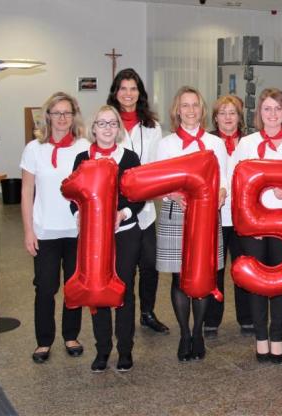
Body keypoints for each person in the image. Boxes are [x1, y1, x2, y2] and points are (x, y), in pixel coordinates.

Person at [155, 86, 228, 362]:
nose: (190, 110)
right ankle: (184, 333)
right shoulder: (166, 144)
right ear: (177, 110)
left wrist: (221, 194)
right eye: (185, 106)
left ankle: (198, 332)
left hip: (207, 217)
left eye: (195, 105)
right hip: (176, 215)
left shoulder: (215, 143)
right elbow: (158, 181)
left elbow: (224, 180)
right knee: (179, 276)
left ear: (202, 109)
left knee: (204, 276)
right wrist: (173, 193)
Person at [236, 88, 282, 365]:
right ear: (260, 114)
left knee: (280, 283)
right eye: (267, 109)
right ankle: (260, 338)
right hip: (254, 223)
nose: (272, 114)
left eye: (277, 109)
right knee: (257, 283)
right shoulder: (247, 143)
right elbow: (235, 178)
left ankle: (277, 338)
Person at [70, 105, 144, 372]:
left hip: (124, 233)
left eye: (112, 124)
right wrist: (78, 212)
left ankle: (125, 349)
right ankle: (102, 350)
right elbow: (74, 194)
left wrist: (122, 213)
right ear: (93, 128)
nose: (107, 129)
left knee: (123, 290)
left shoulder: (130, 157)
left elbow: (138, 195)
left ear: (119, 128)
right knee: (97, 291)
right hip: (93, 238)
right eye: (102, 124)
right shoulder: (82, 158)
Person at [20, 92, 90, 363]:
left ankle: (71, 335)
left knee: (74, 287)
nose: (62, 118)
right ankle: (44, 341)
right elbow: (27, 192)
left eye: (67, 113)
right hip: (45, 231)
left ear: (74, 117)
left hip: (76, 232)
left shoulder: (84, 147)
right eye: (57, 112)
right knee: (46, 287)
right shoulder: (34, 148)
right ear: (47, 115)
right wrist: (28, 230)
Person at [106, 68, 169, 334]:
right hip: (117, 208)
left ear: (140, 93)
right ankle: (122, 308)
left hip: (144, 205)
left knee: (150, 263)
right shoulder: (107, 121)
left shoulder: (152, 127)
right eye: (123, 89)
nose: (128, 94)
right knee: (124, 265)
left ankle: (147, 312)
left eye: (133, 89)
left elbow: (156, 164)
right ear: (116, 92)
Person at [203, 94, 254, 339]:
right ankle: (212, 319)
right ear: (215, 117)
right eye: (222, 113)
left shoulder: (251, 142)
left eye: (232, 113)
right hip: (215, 216)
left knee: (243, 267)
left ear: (239, 117)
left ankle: (246, 318)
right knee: (215, 268)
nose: (227, 118)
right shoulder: (208, 142)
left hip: (244, 216)